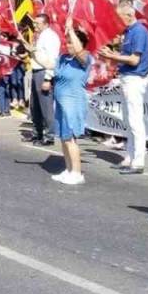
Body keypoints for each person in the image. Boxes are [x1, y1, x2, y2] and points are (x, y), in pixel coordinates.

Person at [97, 0, 148, 174]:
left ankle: (138, 161)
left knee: (135, 121)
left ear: (129, 15)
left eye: (120, 17)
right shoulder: (129, 32)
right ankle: (129, 157)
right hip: (127, 77)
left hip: (135, 78)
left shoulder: (139, 32)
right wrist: (113, 54)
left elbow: (134, 59)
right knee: (128, 121)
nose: (117, 21)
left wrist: (113, 56)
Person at [51, 22, 93, 185]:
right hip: (60, 100)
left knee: (70, 138)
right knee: (63, 137)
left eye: (71, 42)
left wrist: (70, 30)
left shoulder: (85, 58)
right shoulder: (62, 58)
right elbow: (48, 64)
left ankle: (77, 172)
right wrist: (33, 52)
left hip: (74, 101)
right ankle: (68, 169)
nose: (68, 45)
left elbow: (79, 51)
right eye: (67, 41)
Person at [30, 14, 60, 146]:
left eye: (37, 23)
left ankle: (49, 135)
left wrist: (48, 78)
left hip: (43, 72)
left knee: (45, 106)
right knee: (34, 105)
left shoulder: (51, 37)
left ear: (46, 23)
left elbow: (53, 59)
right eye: (34, 23)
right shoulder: (40, 36)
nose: (34, 25)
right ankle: (37, 133)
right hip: (36, 70)